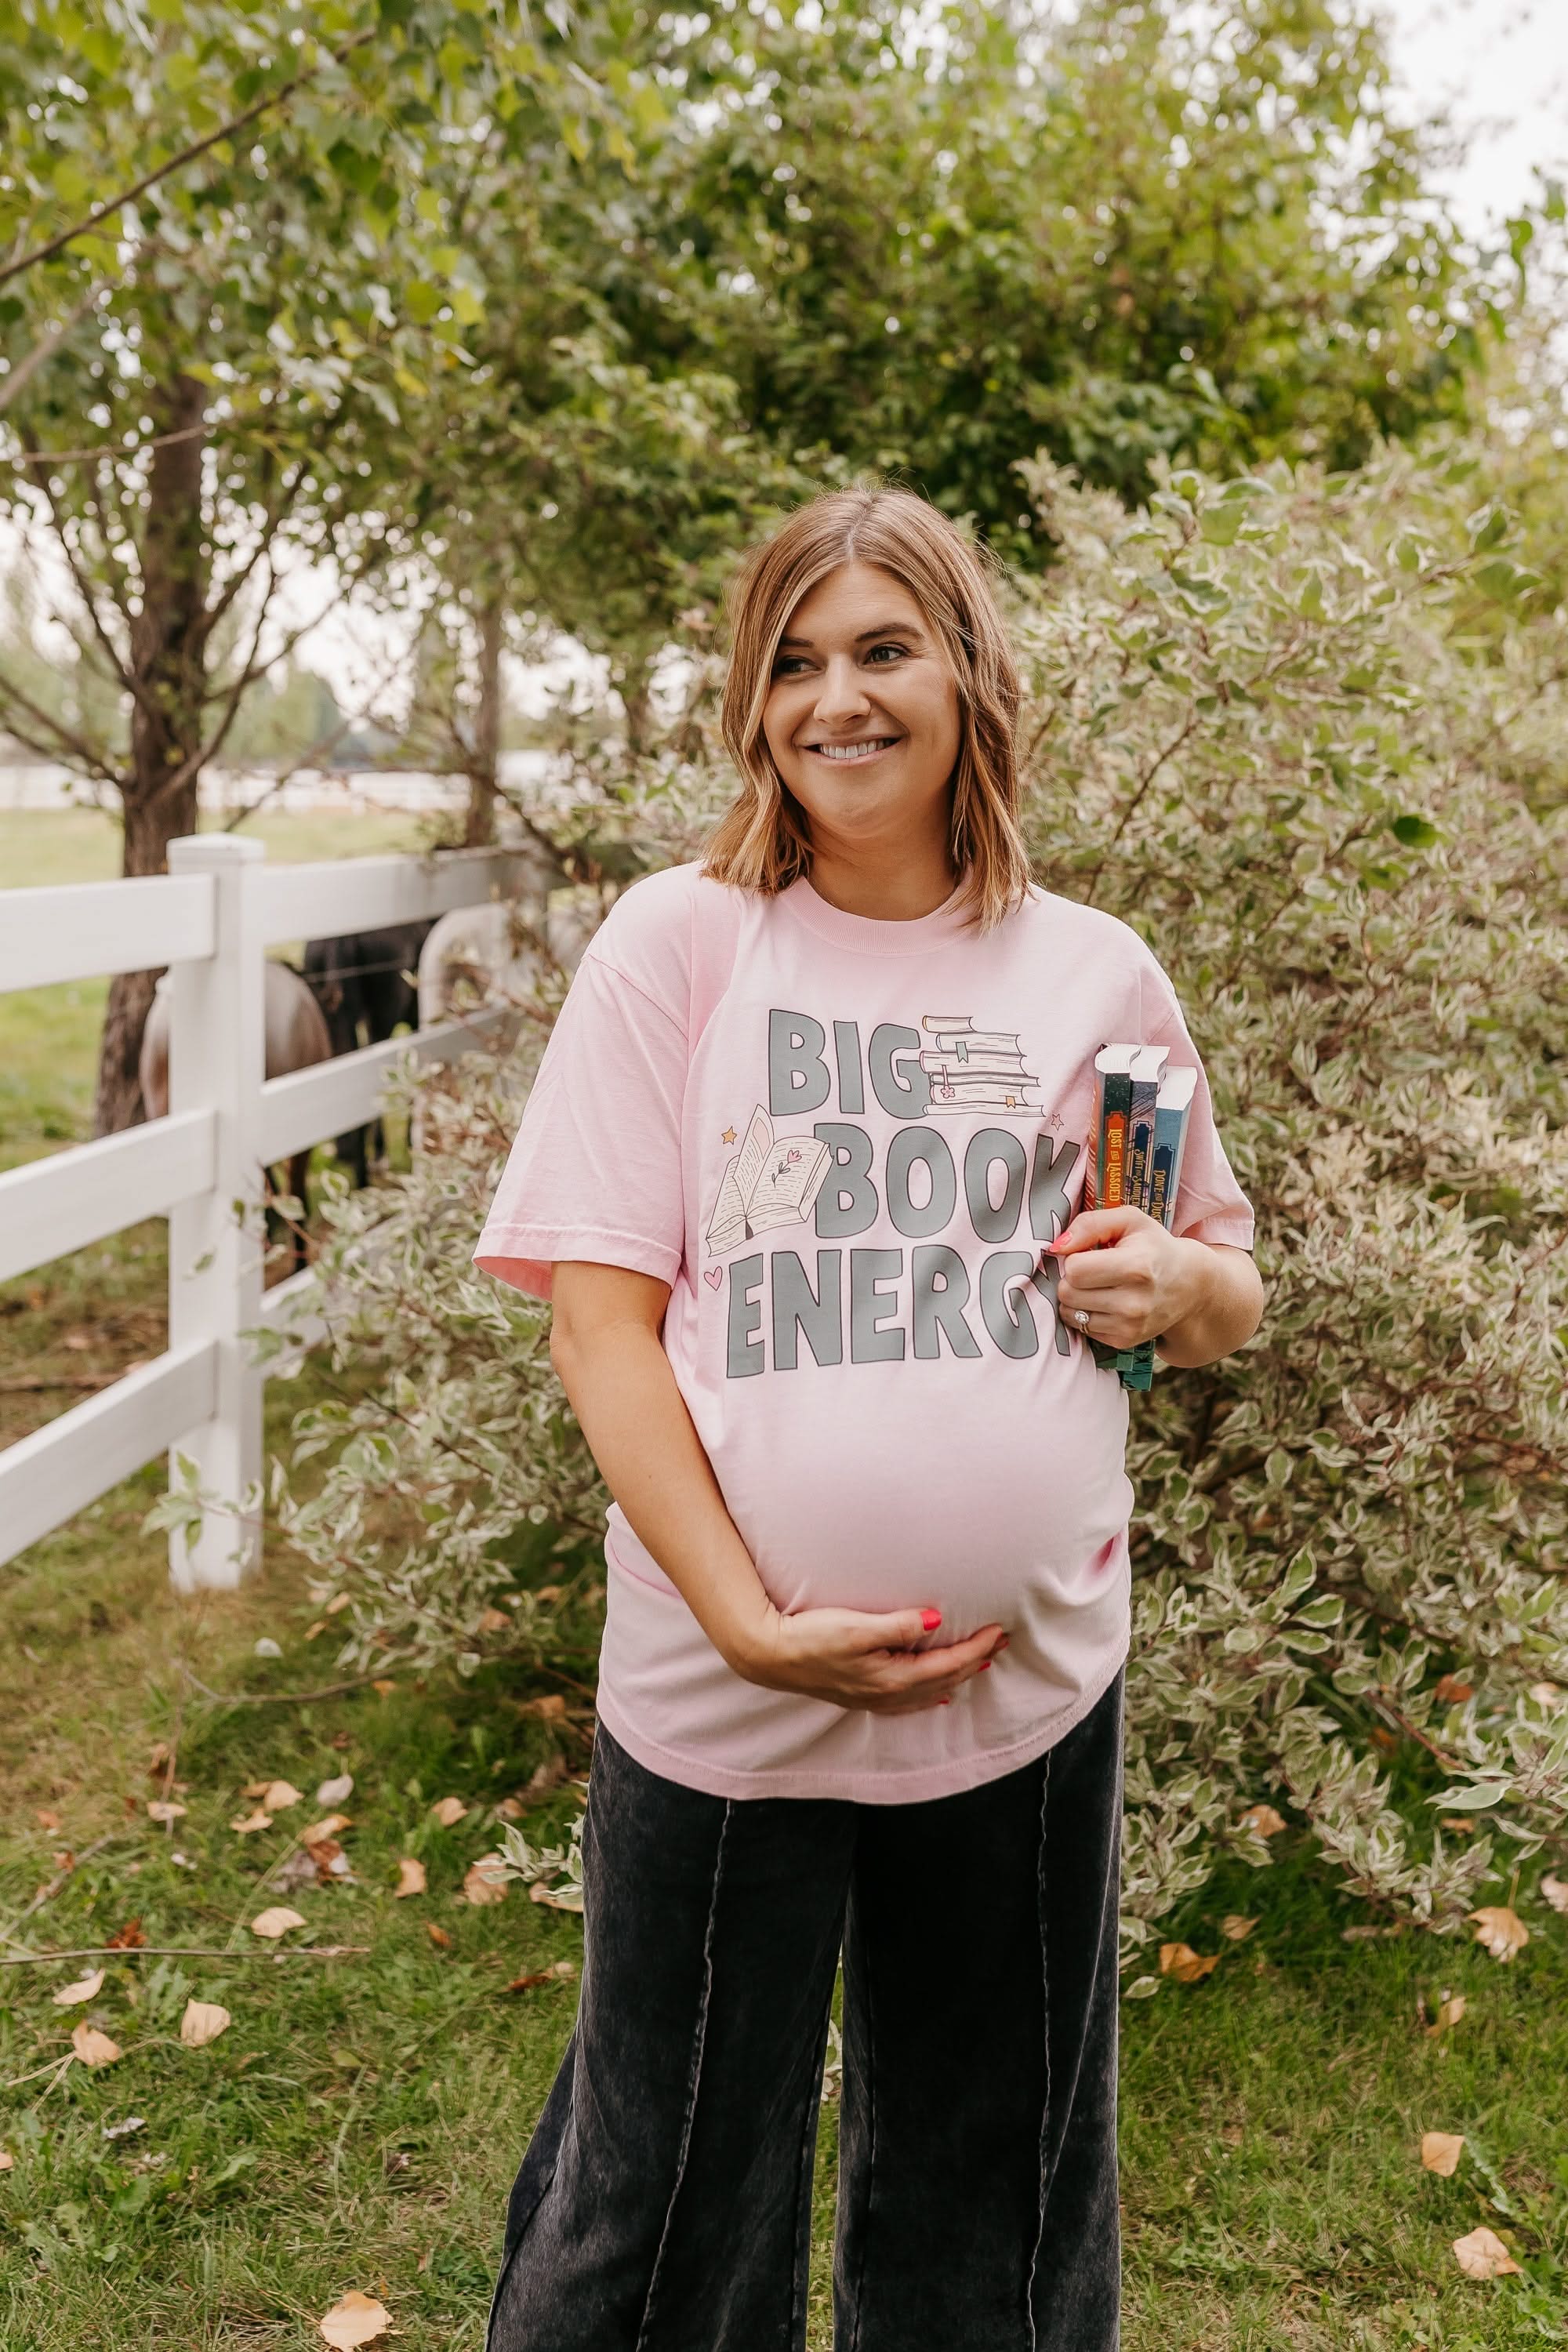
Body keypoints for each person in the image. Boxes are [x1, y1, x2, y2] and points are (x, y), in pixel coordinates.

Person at [474, 482, 1263, 2352]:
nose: (837, 698)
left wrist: (1172, 1280)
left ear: (967, 673)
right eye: (795, 662)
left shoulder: (1093, 968)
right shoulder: (680, 945)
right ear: (753, 706)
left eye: (883, 650)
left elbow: (1224, 1287)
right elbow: (599, 1326)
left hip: (1025, 1693)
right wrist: (745, 1623)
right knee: (659, 2208)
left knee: (992, 2202)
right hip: (722, 1700)